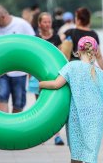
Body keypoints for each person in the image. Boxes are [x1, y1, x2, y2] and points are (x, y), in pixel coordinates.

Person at [39, 36, 103, 163]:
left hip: (77, 118)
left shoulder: (72, 66)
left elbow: (56, 84)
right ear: (95, 52)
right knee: (91, 156)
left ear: (78, 51)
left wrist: (41, 84)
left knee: (76, 156)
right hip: (97, 119)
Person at [0, 5, 35, 113]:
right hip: (1, 72)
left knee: (18, 103)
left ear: (4, 16)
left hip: (19, 71)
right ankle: (3, 128)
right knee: (2, 97)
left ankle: (14, 127)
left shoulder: (22, 24)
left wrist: (30, 68)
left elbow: (33, 43)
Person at [37, 12, 64, 145]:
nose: (47, 24)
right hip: (38, 76)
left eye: (49, 22)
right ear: (39, 24)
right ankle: (41, 133)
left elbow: (61, 56)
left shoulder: (56, 37)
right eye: (45, 22)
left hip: (53, 78)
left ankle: (57, 136)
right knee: (39, 106)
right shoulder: (36, 38)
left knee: (53, 105)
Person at [61, 7, 103, 72]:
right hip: (88, 69)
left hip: (72, 69)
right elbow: (99, 56)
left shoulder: (70, 32)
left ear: (78, 20)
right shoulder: (93, 34)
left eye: (76, 17)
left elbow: (58, 45)